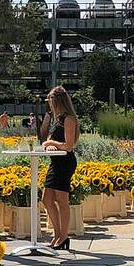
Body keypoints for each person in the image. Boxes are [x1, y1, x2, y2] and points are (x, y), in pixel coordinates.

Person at [38, 85, 78, 250]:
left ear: (58, 100)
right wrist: (49, 145)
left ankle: (63, 236)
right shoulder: (58, 119)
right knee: (46, 199)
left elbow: (68, 145)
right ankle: (57, 234)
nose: (50, 104)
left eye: (51, 100)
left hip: (65, 162)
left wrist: (51, 143)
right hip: (55, 162)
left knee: (62, 201)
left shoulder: (69, 119)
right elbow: (46, 138)